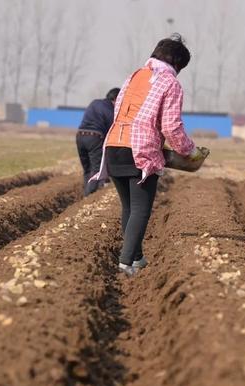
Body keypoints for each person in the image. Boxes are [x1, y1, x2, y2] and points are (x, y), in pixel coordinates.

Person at [90, 34, 202, 275]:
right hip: (140, 150)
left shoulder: (134, 76)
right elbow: (171, 126)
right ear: (178, 64)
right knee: (140, 209)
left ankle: (137, 257)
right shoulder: (170, 83)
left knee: (129, 207)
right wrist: (189, 151)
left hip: (113, 146)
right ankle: (125, 263)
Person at [76, 87, 120, 196]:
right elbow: (112, 131)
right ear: (115, 99)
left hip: (80, 136)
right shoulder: (111, 110)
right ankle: (88, 195)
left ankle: (87, 191)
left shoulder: (94, 102)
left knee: (87, 169)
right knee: (96, 169)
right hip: (94, 137)